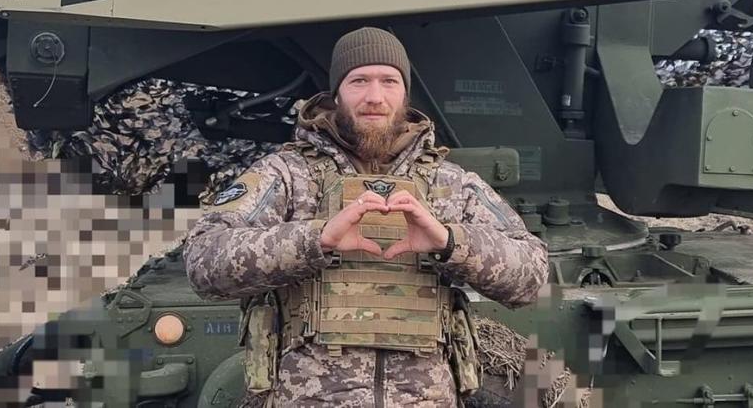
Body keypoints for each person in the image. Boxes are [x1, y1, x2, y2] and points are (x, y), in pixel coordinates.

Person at [184, 27, 548, 407]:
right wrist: (315, 240)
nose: (375, 97)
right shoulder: (288, 176)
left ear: (405, 93)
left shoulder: (450, 183)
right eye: (359, 81)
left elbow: (531, 276)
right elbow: (204, 259)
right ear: (337, 92)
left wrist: (450, 243)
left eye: (389, 81)